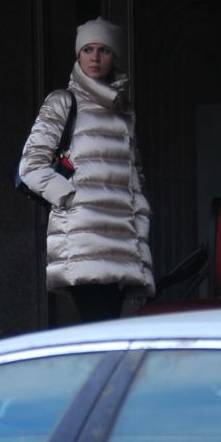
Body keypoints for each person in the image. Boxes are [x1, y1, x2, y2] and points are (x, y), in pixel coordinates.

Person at [18, 17, 154, 323]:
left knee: (109, 330)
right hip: (83, 239)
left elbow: (134, 172)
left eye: (103, 50)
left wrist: (140, 211)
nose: (95, 57)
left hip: (120, 239)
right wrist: (70, 198)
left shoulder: (123, 109)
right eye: (88, 49)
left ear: (114, 56)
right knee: (98, 326)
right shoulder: (63, 103)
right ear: (78, 55)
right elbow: (31, 166)